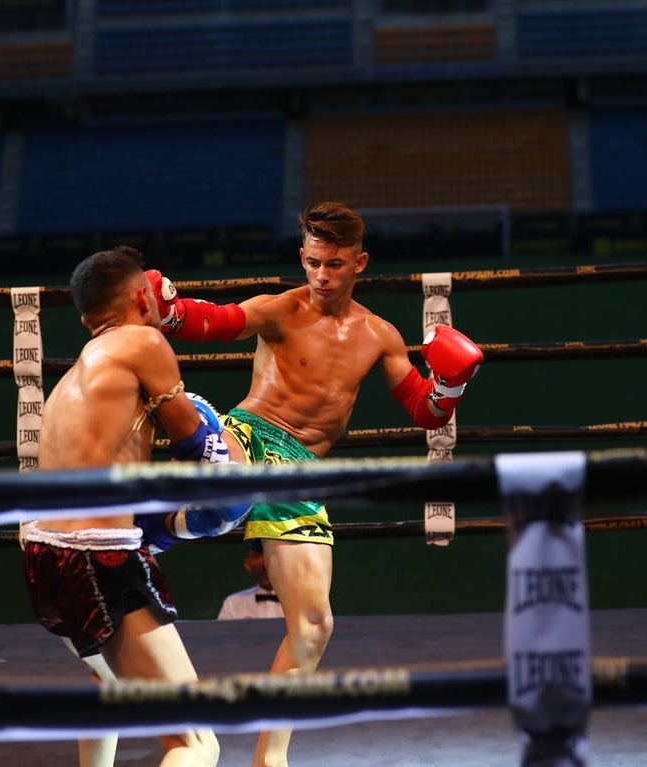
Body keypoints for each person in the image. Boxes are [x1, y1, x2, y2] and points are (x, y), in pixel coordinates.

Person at [147, 202, 484, 767]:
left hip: (302, 469)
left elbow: (427, 415)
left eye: (334, 264)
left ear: (359, 263)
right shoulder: (283, 310)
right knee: (221, 473)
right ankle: (153, 529)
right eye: (312, 262)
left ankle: (269, 758)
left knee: (314, 625)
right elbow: (225, 320)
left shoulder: (380, 335)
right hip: (251, 433)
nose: (321, 275)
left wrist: (450, 387)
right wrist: (174, 312)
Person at [22, 245, 238, 767]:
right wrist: (231, 475)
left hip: (41, 548)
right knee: (194, 742)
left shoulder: (74, 378)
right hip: (96, 554)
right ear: (142, 296)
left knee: (111, 689)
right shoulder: (142, 342)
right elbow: (198, 450)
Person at [217, 549, 283, 621]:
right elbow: (220, 631)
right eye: (258, 557)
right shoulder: (232, 603)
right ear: (248, 566)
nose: (265, 565)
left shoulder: (297, 601)